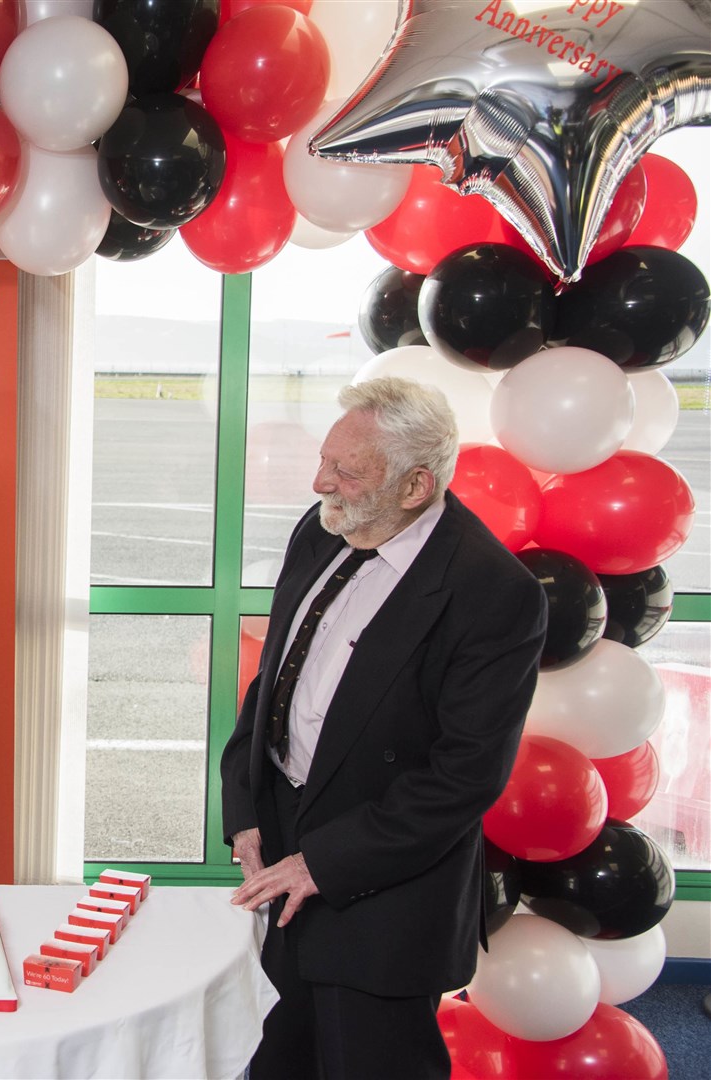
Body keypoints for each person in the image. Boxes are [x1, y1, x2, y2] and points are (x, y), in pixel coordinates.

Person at [220, 377, 547, 1080]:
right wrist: (244, 809)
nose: (319, 482)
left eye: (345, 471)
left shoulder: (494, 593)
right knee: (274, 1065)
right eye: (324, 459)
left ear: (415, 487)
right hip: (284, 869)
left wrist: (323, 864)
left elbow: (463, 779)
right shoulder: (325, 526)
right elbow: (274, 677)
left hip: (384, 901)